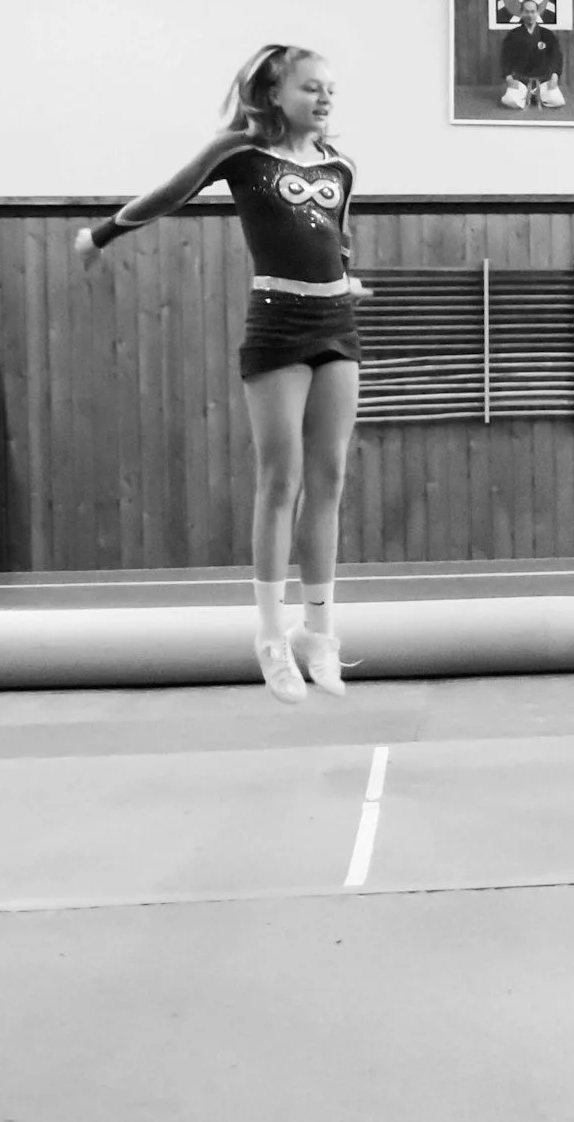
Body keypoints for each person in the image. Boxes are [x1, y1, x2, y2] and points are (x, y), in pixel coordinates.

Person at [78, 45, 364, 703]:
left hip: (337, 327)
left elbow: (338, 240)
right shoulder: (240, 153)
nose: (323, 99)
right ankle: (270, 634)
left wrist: (349, 278)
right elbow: (171, 192)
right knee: (281, 478)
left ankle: (318, 631)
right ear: (275, 91)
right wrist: (102, 233)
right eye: (310, 88)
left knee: (329, 477)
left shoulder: (340, 166)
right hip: (278, 326)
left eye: (330, 90)